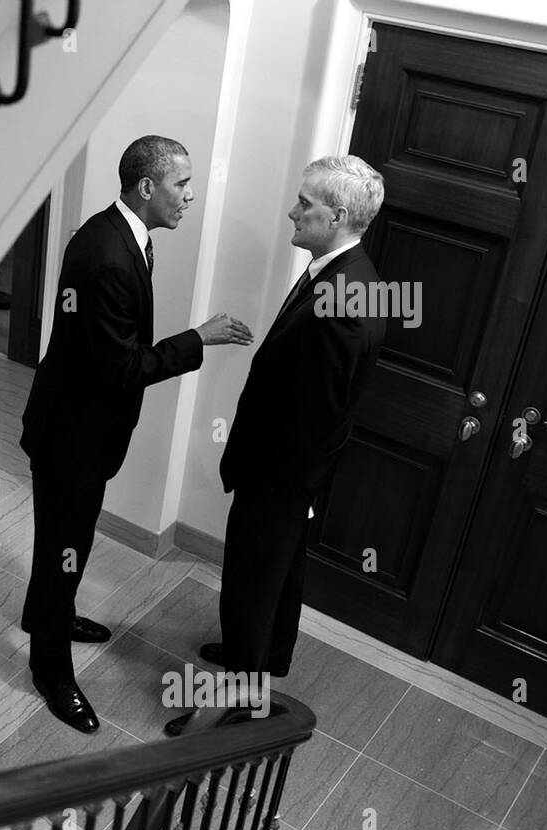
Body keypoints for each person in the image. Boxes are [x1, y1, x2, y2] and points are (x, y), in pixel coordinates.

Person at [19, 135, 253, 734]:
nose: (190, 195)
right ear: (146, 187)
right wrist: (199, 338)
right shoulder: (108, 256)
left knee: (68, 543)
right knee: (59, 549)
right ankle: (51, 668)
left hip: (82, 429)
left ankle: (56, 614)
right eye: (182, 184)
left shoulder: (120, 236)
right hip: (70, 436)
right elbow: (123, 369)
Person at [165, 155, 387, 737]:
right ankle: (264, 662)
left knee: (250, 585)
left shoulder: (346, 297)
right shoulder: (342, 270)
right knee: (278, 579)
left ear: (338, 215)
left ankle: (232, 708)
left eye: (305, 204)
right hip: (287, 475)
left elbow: (319, 414)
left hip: (280, 476)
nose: (293, 210)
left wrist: (286, 488)